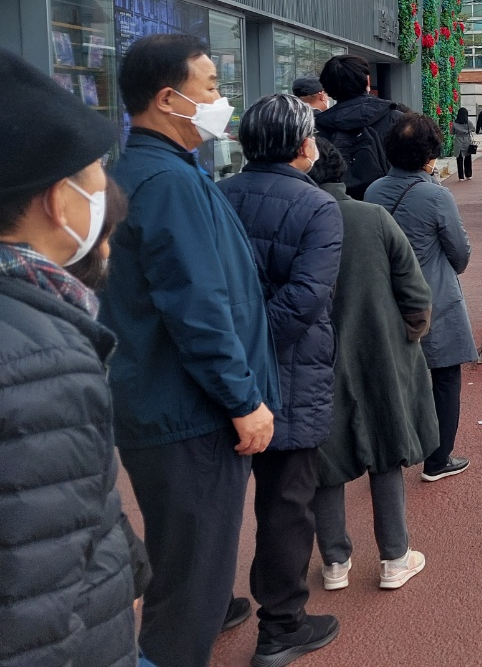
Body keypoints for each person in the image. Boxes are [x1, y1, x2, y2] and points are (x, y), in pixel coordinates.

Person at [101, 33, 279, 667]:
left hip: (167, 406)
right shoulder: (167, 182)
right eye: (210, 86)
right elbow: (198, 307)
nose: (220, 99)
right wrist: (243, 400)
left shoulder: (158, 173)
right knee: (192, 591)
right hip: (190, 415)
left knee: (182, 568)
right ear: (167, 99)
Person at [0, 50, 142, 667]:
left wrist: (126, 560)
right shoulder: (43, 361)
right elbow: (30, 610)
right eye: (95, 177)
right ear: (60, 202)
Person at [218, 95, 343, 666]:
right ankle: (282, 627)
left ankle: (211, 606)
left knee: (214, 500)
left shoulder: (217, 196)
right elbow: (306, 298)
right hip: (290, 374)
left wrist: (228, 350)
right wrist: (254, 346)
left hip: (218, 372)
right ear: (302, 145)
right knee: (286, 505)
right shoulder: (318, 206)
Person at [307, 140, 436, 591]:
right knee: (386, 449)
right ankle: (395, 557)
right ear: (341, 173)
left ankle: (334, 561)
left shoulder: (296, 221)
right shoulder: (373, 218)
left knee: (326, 458)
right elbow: (414, 290)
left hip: (314, 358)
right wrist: (409, 334)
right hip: (381, 350)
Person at [365, 114, 478, 482]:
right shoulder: (436, 195)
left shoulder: (373, 191)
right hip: (434, 298)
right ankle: (437, 459)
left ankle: (393, 454)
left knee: (397, 379)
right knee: (445, 377)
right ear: (430, 155)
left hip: (388, 299)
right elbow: (459, 252)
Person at [314, 55, 404, 200]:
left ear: (327, 89)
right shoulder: (397, 119)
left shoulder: (316, 128)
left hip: (335, 205)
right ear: (367, 81)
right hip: (391, 201)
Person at [451, 107, 474, 181]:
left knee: (459, 159)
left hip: (458, 141)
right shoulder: (468, 122)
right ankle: (468, 174)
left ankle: (461, 176)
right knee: (468, 159)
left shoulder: (454, 123)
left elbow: (452, 132)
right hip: (467, 141)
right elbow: (473, 129)